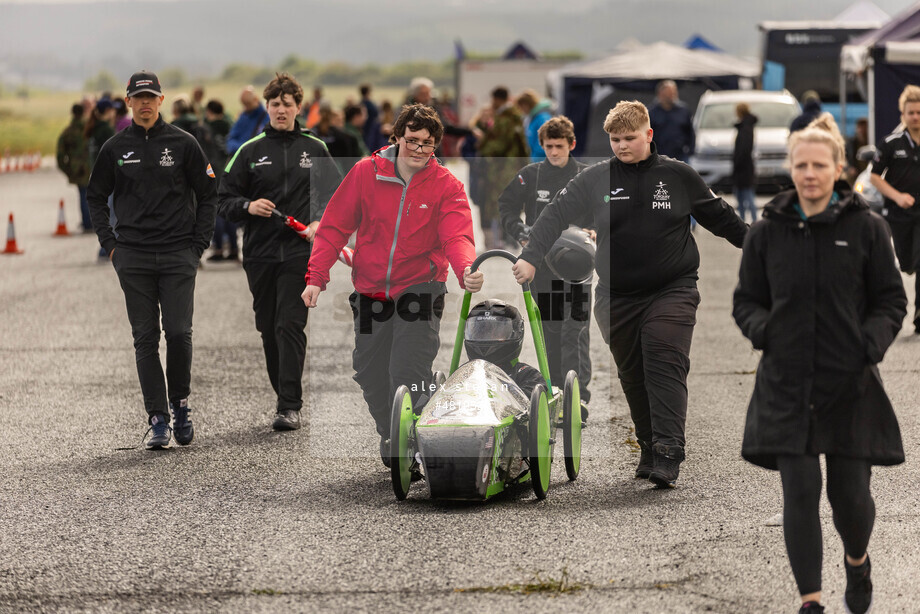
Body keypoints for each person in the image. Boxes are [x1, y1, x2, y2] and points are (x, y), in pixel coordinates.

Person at [512, 100, 748, 488]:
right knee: (632, 372)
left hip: (673, 288)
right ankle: (649, 446)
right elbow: (553, 214)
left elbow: (724, 220)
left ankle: (670, 451)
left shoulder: (678, 176)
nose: (621, 146)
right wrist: (531, 257)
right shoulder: (595, 179)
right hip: (615, 295)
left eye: (630, 138)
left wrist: (770, 249)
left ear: (649, 135)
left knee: (663, 357)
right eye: (615, 139)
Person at [733, 113, 906, 614]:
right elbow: (747, 301)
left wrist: (867, 346)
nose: (809, 174)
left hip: (848, 383)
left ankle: (857, 558)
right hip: (786, 383)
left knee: (850, 499)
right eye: (801, 164)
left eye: (819, 165)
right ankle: (811, 601)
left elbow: (891, 302)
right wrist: (765, 332)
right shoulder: (767, 232)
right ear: (790, 168)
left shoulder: (868, 229)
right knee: (801, 491)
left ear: (837, 168)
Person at [302, 103, 483, 462]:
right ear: (396, 137)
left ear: (436, 147)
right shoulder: (365, 173)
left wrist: (465, 269)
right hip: (370, 290)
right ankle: (393, 434)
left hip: (421, 287)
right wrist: (316, 278)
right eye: (412, 140)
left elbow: (457, 236)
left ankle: (415, 444)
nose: (418, 149)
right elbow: (334, 227)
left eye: (428, 143)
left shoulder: (446, 185)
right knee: (369, 374)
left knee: (406, 371)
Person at [87, 70, 218, 450]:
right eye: (138, 97)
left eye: (151, 97)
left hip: (179, 253)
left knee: (178, 332)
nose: (145, 103)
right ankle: (157, 417)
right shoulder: (114, 147)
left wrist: (199, 245)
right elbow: (95, 197)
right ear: (128, 102)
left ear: (161, 101)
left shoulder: (184, 143)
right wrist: (111, 245)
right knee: (145, 338)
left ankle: (180, 404)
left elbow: (209, 194)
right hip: (133, 256)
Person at [219, 73, 341, 431]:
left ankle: (289, 404)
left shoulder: (315, 148)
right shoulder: (250, 150)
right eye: (275, 104)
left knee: (290, 324)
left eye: (288, 104)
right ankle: (284, 396)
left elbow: (338, 197)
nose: (281, 110)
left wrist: (320, 222)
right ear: (267, 108)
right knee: (269, 328)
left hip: (299, 253)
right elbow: (223, 200)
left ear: (298, 107)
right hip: (259, 253)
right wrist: (247, 206)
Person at [498, 116, 592, 405]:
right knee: (550, 330)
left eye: (559, 146)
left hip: (578, 265)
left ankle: (579, 398)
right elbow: (506, 207)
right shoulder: (530, 175)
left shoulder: (587, 176)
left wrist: (595, 231)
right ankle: (556, 394)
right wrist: (521, 233)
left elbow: (606, 212)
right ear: (541, 145)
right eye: (548, 146)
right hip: (541, 266)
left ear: (571, 144)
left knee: (574, 331)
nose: (554, 152)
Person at [869, 84, 920, 335]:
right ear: (903, 115)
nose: (915, 117)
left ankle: (919, 314)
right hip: (899, 214)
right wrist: (898, 197)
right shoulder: (891, 143)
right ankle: (908, 265)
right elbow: (875, 177)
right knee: (907, 262)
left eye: (919, 112)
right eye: (911, 113)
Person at [476, 86, 529, 250]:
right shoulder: (516, 117)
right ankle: (510, 238)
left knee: (501, 202)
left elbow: (497, 145)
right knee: (512, 201)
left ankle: (507, 239)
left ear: (498, 99)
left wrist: (483, 144)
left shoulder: (505, 119)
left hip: (502, 169)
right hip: (514, 166)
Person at [464, 299, 545, 397]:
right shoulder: (466, 373)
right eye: (482, 332)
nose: (488, 337)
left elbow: (534, 399)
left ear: (515, 333)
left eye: (497, 333)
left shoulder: (526, 374)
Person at [56, 102, 93, 232]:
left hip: (77, 170)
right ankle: (94, 223)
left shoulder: (67, 132)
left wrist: (69, 171)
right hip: (92, 166)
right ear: (83, 113)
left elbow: (60, 157)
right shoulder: (90, 129)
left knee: (83, 195)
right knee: (95, 196)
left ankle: (87, 223)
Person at [648, 80, 695, 162]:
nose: (671, 96)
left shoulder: (683, 110)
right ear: (660, 94)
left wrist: (690, 151)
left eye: (673, 93)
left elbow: (690, 132)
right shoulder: (652, 112)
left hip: (680, 156)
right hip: (658, 157)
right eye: (668, 94)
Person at [733, 102, 758, 223]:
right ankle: (750, 220)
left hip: (743, 167)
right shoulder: (747, 126)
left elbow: (743, 149)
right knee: (745, 195)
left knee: (744, 196)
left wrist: (737, 163)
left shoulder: (745, 128)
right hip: (746, 166)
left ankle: (749, 221)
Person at [227, 86, 269, 154]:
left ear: (256, 99)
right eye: (244, 104)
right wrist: (242, 149)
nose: (246, 107)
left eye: (248, 104)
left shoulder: (267, 117)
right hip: (241, 154)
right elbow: (231, 139)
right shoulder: (243, 117)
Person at [515, 89, 554, 163]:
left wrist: (536, 159)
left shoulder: (543, 118)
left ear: (526, 105)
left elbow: (546, 139)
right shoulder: (531, 118)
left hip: (541, 159)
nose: (521, 110)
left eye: (521, 107)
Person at [845, 117, 869, 185]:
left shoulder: (872, 141)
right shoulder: (851, 144)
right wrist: (849, 168)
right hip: (856, 174)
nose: (861, 130)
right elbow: (844, 159)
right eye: (860, 127)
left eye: (864, 127)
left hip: (868, 173)